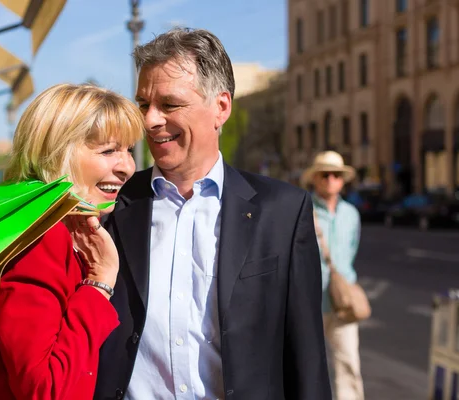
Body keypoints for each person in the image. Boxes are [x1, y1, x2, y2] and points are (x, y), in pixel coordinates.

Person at [94, 28, 331, 399]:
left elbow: (306, 356)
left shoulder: (281, 211)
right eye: (144, 104)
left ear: (220, 107)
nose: (151, 120)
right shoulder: (110, 207)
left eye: (169, 105)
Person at [0, 83, 145, 400]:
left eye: (128, 150)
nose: (127, 166)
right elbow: (45, 390)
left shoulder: (62, 232)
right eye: (108, 151)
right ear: (58, 154)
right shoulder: (42, 241)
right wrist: (99, 283)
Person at [301, 150, 365, 400]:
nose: (330, 179)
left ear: (342, 180)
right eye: (324, 174)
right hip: (308, 301)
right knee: (307, 366)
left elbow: (351, 249)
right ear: (315, 178)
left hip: (342, 302)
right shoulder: (303, 210)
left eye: (336, 175)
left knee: (348, 363)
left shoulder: (351, 214)